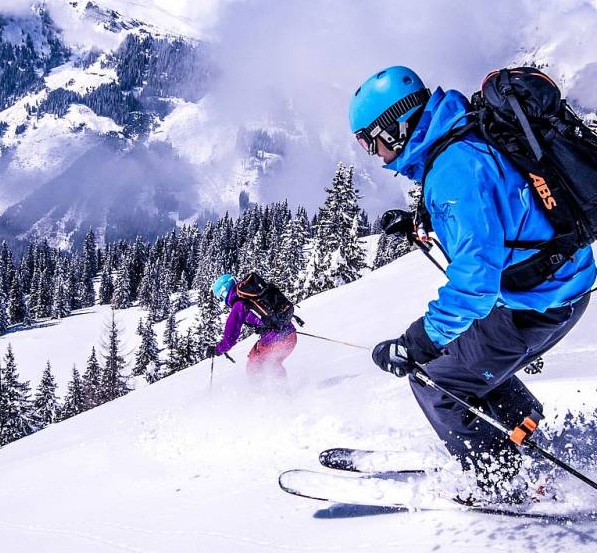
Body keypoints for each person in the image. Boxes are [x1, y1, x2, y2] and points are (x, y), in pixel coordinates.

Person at [348, 66, 595, 502]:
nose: (376, 155)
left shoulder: (453, 172)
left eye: (371, 142)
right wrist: (426, 219)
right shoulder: (464, 134)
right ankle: (525, 431)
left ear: (397, 128)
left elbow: (475, 285)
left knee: (433, 379)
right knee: (466, 355)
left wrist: (417, 343)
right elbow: (501, 202)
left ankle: (499, 481)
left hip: (534, 305)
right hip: (559, 287)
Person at [207, 274, 297, 382]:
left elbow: (229, 338)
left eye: (221, 297)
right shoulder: (254, 293)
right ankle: (283, 392)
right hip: (290, 335)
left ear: (224, 292)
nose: (223, 301)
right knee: (271, 364)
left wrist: (217, 349)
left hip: (276, 341)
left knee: (255, 366)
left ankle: (261, 395)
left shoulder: (238, 305)